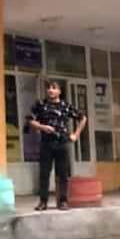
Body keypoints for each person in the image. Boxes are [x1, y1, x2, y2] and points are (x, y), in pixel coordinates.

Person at [25, 80, 86, 212]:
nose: (50, 90)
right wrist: (42, 127)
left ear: (59, 91)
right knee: (44, 173)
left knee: (63, 174)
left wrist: (76, 134)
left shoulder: (65, 106)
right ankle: (43, 201)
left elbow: (82, 118)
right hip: (46, 143)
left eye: (54, 88)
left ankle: (63, 201)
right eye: (48, 88)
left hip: (62, 143)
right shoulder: (40, 105)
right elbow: (30, 120)